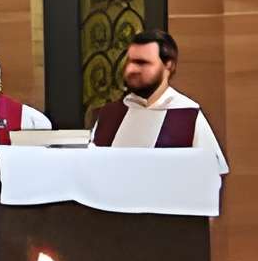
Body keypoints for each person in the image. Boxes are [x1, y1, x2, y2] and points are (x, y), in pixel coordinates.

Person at [86, 31, 228, 171]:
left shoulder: (187, 114)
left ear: (169, 65)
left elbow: (210, 175)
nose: (131, 69)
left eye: (141, 62)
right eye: (129, 61)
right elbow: (92, 169)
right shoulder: (110, 114)